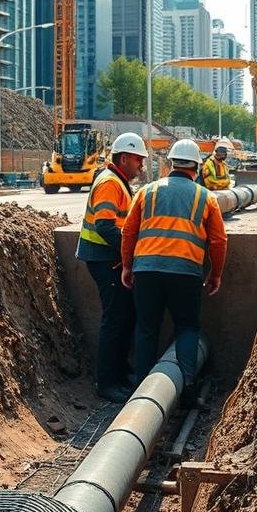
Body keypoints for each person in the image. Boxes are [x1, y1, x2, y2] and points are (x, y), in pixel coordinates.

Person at [120, 138, 227, 407]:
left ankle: (140, 392)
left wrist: (126, 265)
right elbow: (218, 241)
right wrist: (215, 274)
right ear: (198, 167)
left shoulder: (147, 192)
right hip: (187, 273)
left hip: (146, 271)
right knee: (187, 327)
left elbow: (129, 231)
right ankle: (187, 390)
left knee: (146, 329)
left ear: (170, 164)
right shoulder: (207, 197)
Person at [75, 132, 147, 403]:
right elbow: (105, 225)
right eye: (139, 159)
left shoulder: (119, 182)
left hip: (110, 260)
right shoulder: (109, 183)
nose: (141, 164)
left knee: (125, 317)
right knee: (115, 320)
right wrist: (129, 256)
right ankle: (107, 382)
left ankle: (121, 372)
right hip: (105, 261)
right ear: (125, 157)